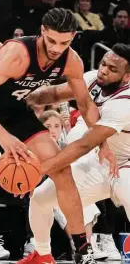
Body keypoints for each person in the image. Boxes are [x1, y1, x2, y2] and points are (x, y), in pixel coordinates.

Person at [0, 8, 116, 264]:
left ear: (73, 38)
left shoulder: (72, 61)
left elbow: (85, 105)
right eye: (51, 40)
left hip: (14, 111)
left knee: (61, 170)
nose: (55, 48)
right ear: (42, 31)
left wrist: (104, 143)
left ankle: (83, 250)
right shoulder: (19, 54)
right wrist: (4, 137)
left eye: (64, 42)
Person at [22, 43, 130, 263]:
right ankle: (41, 254)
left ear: (127, 77)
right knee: (41, 198)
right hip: (99, 164)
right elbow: (54, 93)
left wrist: (39, 170)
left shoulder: (125, 102)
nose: (104, 70)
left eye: (112, 69)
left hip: (126, 163)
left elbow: (84, 144)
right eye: (103, 64)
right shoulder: (93, 79)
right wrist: (24, 97)